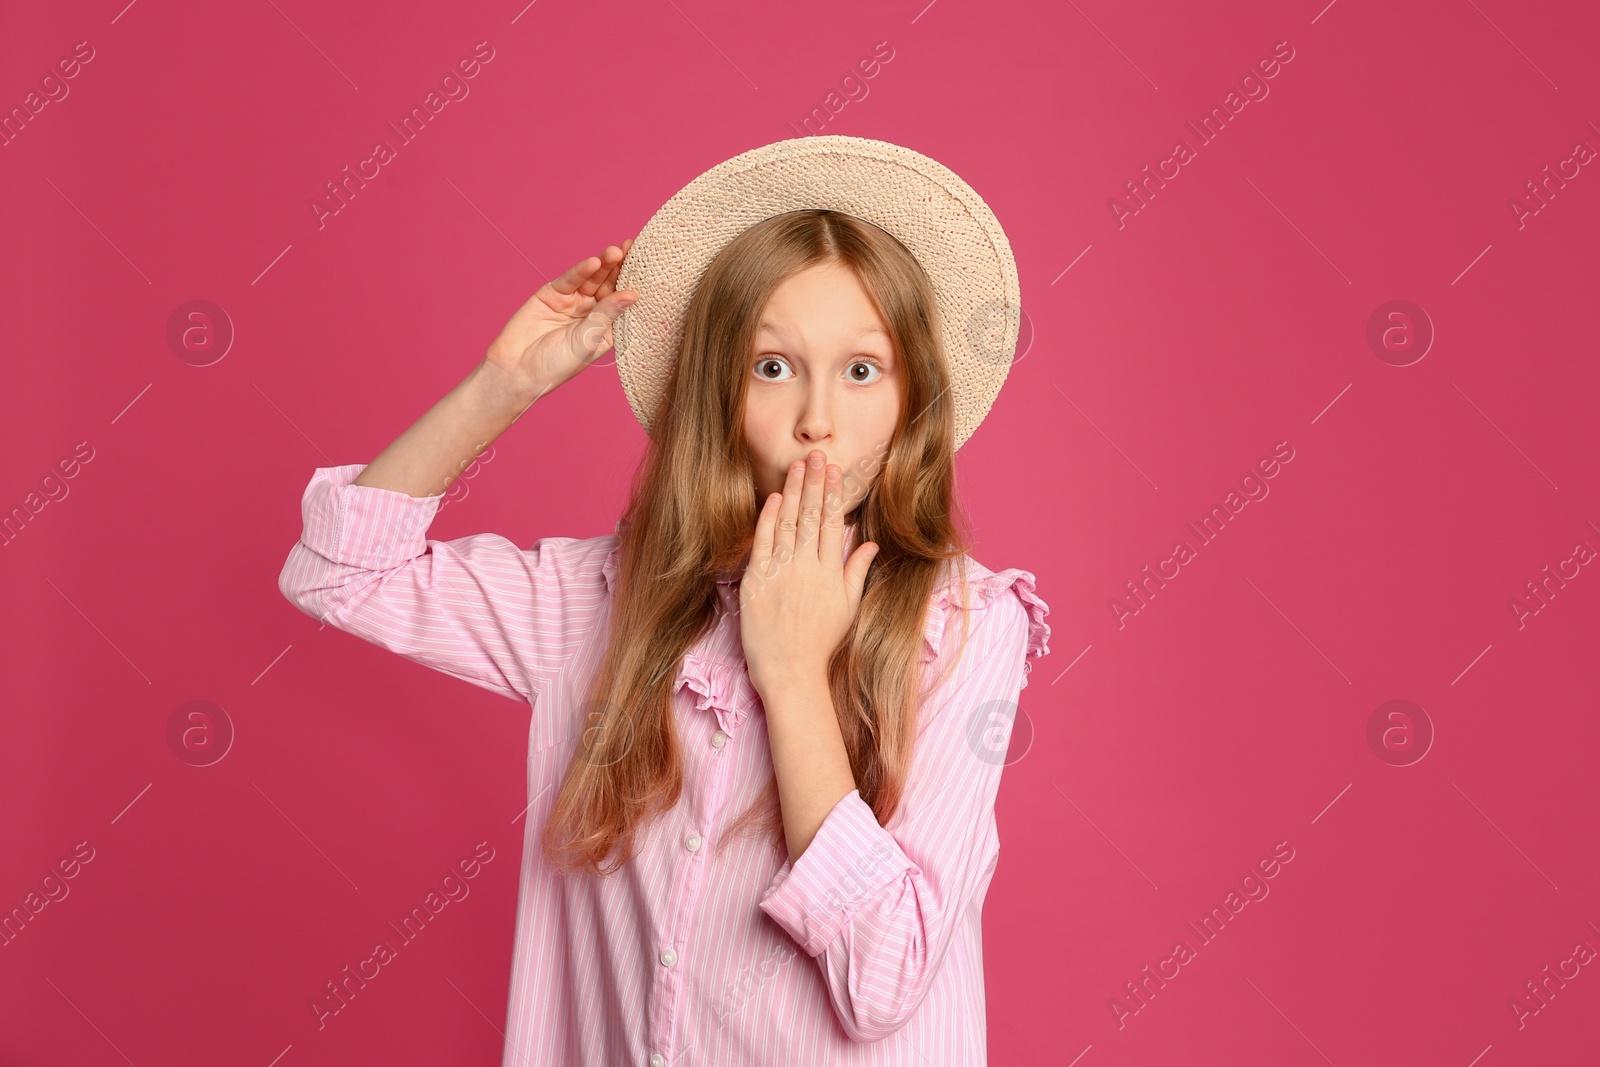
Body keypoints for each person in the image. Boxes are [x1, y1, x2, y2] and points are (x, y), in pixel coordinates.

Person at [278, 135, 1050, 1066]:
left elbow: (883, 979)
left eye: (861, 370)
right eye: (772, 366)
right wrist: (504, 387)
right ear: (716, 391)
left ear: (912, 393)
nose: (817, 416)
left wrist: (794, 676)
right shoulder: (606, 598)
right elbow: (339, 568)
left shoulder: (964, 627)